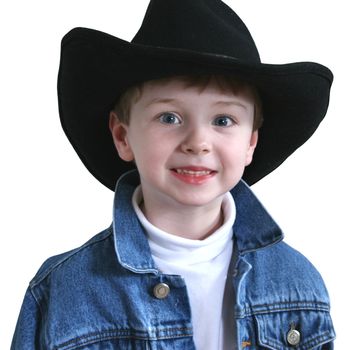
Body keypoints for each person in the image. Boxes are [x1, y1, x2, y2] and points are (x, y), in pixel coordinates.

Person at [11, 0, 336, 349]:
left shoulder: (298, 284)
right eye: (169, 118)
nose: (198, 142)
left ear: (250, 144)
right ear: (123, 137)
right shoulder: (62, 291)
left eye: (223, 120)